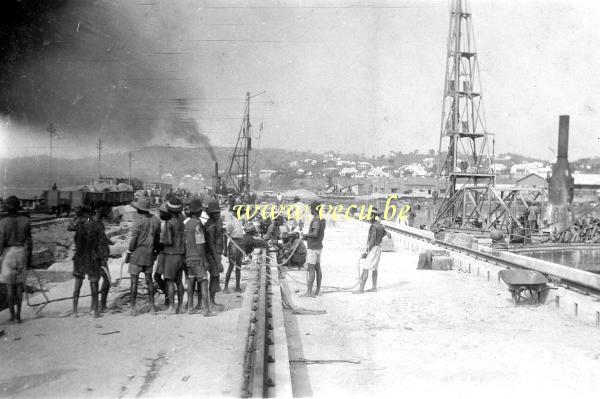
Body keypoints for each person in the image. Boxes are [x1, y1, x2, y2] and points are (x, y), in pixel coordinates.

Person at [125, 196, 160, 316]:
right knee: (149, 280)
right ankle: (152, 307)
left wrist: (129, 253)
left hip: (137, 254)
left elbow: (133, 240)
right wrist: (155, 252)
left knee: (134, 282)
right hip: (149, 254)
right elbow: (157, 239)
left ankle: (133, 308)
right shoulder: (156, 220)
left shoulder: (138, 221)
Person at [0, 196, 32, 323]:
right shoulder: (25, 221)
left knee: (9, 287)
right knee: (19, 286)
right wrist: (29, 259)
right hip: (21, 252)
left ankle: (12, 316)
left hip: (8, 253)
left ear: (7, 208)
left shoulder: (3, 222)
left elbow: (1, 241)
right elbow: (29, 242)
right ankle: (19, 316)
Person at [68, 205, 103, 317]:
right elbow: (100, 238)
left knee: (78, 284)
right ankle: (96, 311)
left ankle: (74, 311)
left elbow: (69, 227)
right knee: (94, 283)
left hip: (79, 257)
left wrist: (75, 219)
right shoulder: (94, 224)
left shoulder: (78, 223)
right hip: (92, 256)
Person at [183, 198, 216, 317]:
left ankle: (190, 307)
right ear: (198, 211)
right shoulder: (198, 224)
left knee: (191, 281)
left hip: (188, 258)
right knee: (203, 281)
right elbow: (200, 243)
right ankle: (207, 310)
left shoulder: (186, 224)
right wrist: (205, 260)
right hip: (198, 258)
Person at [161, 197, 186, 314]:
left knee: (169, 281)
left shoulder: (169, 223)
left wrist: (161, 243)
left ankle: (171, 307)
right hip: (181, 254)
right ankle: (180, 307)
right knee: (179, 281)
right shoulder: (181, 223)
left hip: (171, 254)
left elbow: (169, 241)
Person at [89, 200, 112, 313]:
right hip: (97, 257)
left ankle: (96, 305)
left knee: (96, 280)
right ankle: (99, 306)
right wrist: (101, 257)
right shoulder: (95, 224)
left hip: (97, 256)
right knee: (104, 280)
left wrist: (107, 241)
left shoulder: (96, 223)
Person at [356, 209, 386, 294]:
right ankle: (374, 287)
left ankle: (361, 289)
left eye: (369, 216)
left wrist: (366, 253)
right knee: (374, 268)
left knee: (365, 268)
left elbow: (372, 241)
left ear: (373, 216)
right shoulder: (380, 225)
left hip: (373, 249)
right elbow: (384, 234)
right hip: (378, 248)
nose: (368, 218)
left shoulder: (373, 226)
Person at [203, 199, 225, 311]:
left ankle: (211, 301)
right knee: (214, 276)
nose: (218, 215)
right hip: (213, 255)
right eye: (215, 213)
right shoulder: (210, 226)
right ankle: (211, 302)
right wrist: (217, 260)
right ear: (210, 214)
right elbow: (211, 244)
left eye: (218, 212)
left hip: (215, 254)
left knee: (215, 277)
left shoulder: (214, 223)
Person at [301, 201, 326, 297]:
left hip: (313, 247)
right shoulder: (322, 220)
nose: (310, 210)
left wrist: (306, 235)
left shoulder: (316, 220)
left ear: (314, 209)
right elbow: (319, 234)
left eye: (311, 208)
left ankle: (309, 292)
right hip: (319, 246)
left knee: (311, 268)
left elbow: (315, 234)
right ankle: (317, 290)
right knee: (318, 268)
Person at [223, 199, 245, 293]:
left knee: (238, 267)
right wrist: (225, 249)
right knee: (231, 266)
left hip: (240, 243)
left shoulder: (239, 221)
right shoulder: (231, 222)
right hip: (234, 244)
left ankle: (237, 286)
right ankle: (226, 287)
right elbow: (225, 235)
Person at [153, 203, 170, 308]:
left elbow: (162, 241)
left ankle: (168, 298)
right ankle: (168, 297)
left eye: (161, 212)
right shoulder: (166, 223)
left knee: (157, 276)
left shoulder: (164, 225)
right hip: (165, 253)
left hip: (164, 253)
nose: (159, 213)